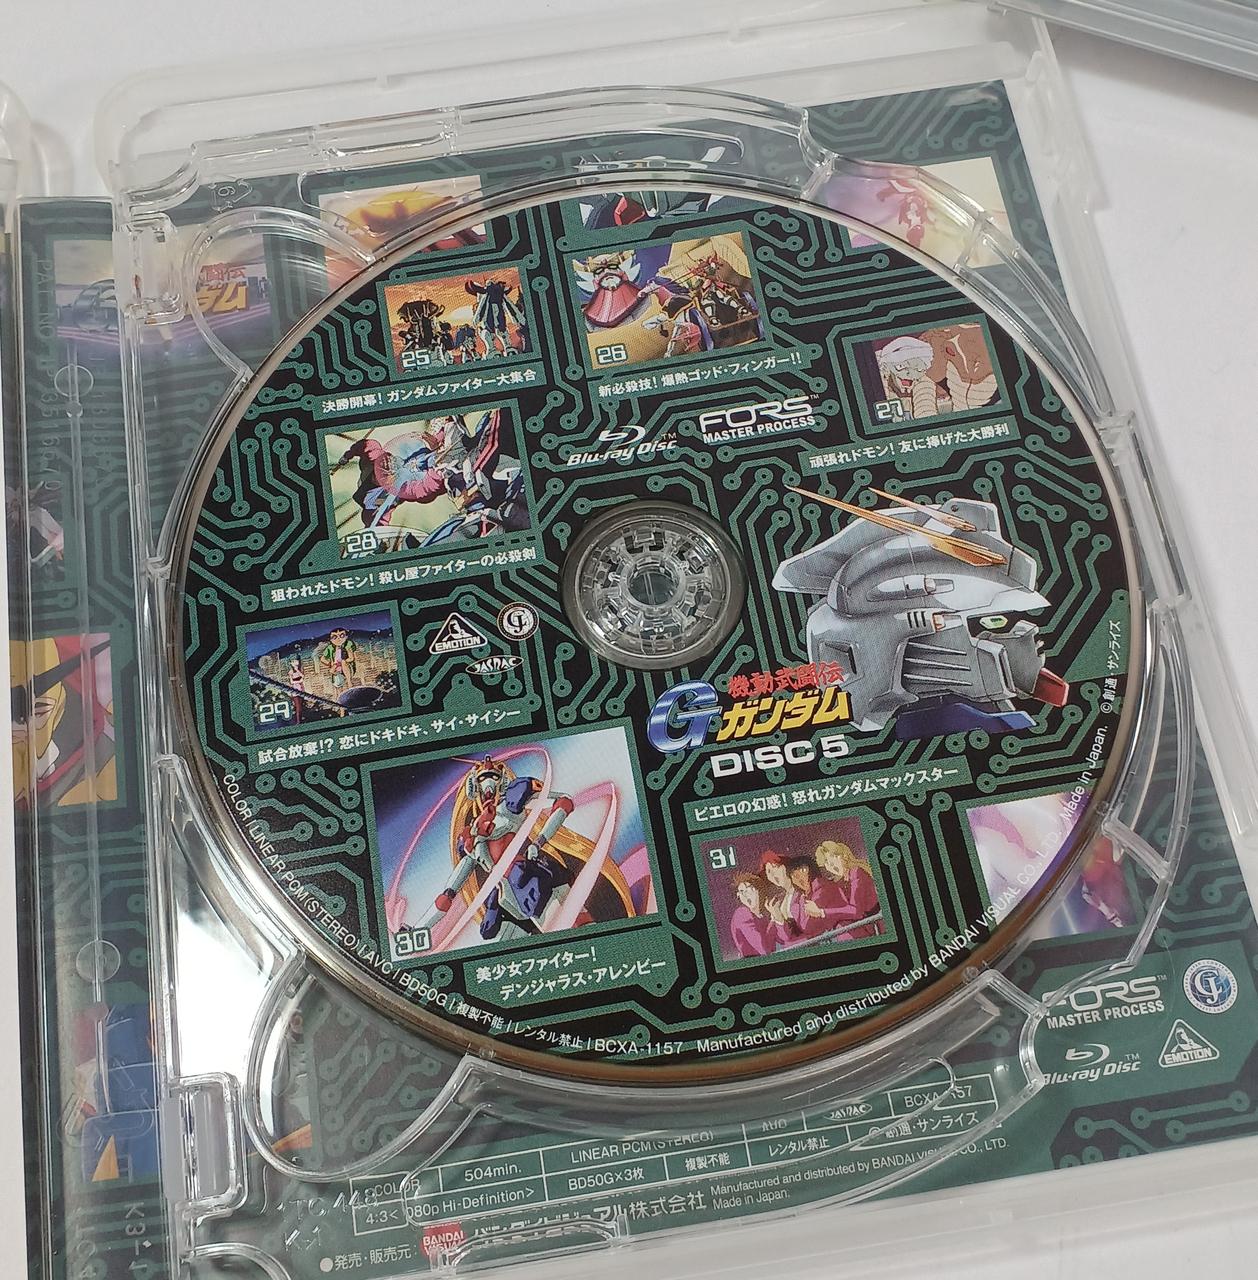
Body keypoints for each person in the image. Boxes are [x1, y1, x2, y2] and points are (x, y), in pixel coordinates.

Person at [812, 840, 883, 939]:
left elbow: (855, 910)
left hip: (877, 925)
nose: (831, 865)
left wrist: (822, 912)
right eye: (826, 862)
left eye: (833, 857)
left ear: (843, 856)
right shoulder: (838, 883)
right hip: (863, 927)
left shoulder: (856, 872)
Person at [727, 872, 788, 959]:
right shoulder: (742, 914)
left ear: (759, 891)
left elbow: (784, 939)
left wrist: (777, 917)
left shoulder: (763, 916)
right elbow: (763, 949)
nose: (745, 895)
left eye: (748, 889)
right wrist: (773, 920)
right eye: (741, 891)